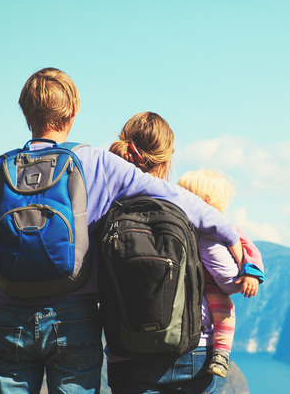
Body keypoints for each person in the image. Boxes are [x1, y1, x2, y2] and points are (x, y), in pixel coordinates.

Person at [0, 68, 243, 394]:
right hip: (73, 320)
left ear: (25, 112)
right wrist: (229, 234)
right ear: (74, 110)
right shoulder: (97, 163)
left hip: (5, 318)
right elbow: (176, 198)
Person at [107, 113, 264, 390]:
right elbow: (227, 279)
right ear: (167, 161)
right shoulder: (187, 205)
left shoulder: (107, 200)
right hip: (191, 347)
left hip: (127, 347)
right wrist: (242, 263)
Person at [176, 169, 265, 378]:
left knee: (224, 308)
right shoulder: (180, 225)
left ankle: (221, 354)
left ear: (203, 200)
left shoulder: (227, 228)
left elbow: (250, 250)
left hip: (212, 286)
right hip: (191, 283)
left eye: (184, 194)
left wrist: (251, 273)